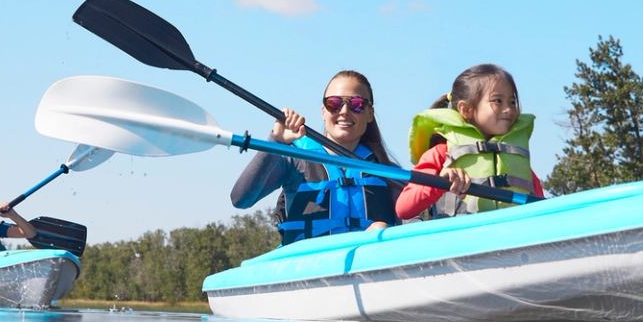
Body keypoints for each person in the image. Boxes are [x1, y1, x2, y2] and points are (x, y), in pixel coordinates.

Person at [230, 69, 400, 245]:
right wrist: (276, 142)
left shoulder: (388, 172)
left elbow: (414, 222)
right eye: (334, 103)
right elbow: (241, 199)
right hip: (309, 268)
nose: (344, 111)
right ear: (323, 112)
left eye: (357, 104)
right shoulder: (295, 160)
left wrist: (386, 236)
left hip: (368, 267)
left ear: (370, 113)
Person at [396, 63, 543, 220]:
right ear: (466, 109)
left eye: (512, 102)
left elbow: (543, 207)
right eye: (497, 101)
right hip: (461, 241)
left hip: (513, 240)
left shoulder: (516, 158)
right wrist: (439, 182)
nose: (508, 109)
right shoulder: (440, 153)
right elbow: (403, 209)